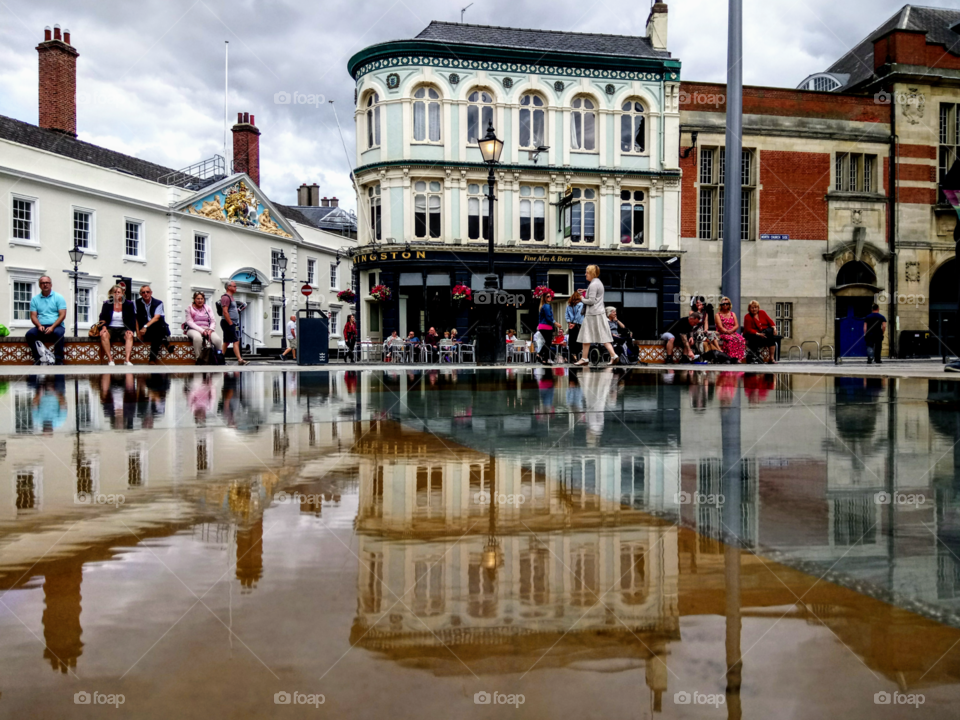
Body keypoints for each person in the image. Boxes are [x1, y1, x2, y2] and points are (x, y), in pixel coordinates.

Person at [575, 264, 617, 366]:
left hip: (592, 314)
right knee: (603, 336)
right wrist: (586, 291)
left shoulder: (593, 285)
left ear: (592, 273)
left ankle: (584, 358)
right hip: (599, 313)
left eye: (587, 272)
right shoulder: (598, 283)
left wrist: (581, 299)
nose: (585, 274)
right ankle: (613, 355)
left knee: (586, 336)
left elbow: (591, 301)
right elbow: (596, 295)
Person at [26, 276, 67, 365]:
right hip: (41, 326)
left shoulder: (58, 297)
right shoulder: (35, 299)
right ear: (39, 285)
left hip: (56, 326)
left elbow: (62, 315)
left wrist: (52, 327)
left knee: (59, 333)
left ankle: (58, 359)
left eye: (47, 283)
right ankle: (37, 358)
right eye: (42, 283)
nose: (45, 285)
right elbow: (33, 316)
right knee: (29, 334)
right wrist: (39, 326)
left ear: (51, 284)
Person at [99, 285, 136, 366]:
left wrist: (130, 329)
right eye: (114, 292)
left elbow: (132, 318)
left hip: (123, 328)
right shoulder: (107, 304)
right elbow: (102, 317)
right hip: (110, 328)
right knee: (104, 335)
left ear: (122, 293)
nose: (116, 294)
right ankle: (110, 360)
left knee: (129, 335)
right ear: (111, 294)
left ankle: (127, 360)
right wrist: (104, 327)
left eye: (118, 292)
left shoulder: (129, 304)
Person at [135, 285, 170, 365]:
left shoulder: (158, 303)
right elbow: (136, 318)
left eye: (147, 292)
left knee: (157, 329)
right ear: (140, 294)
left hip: (156, 328)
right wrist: (138, 332)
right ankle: (166, 342)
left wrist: (145, 326)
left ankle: (152, 359)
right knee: (158, 334)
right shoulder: (137, 303)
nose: (146, 294)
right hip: (146, 331)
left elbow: (156, 317)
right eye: (143, 292)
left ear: (151, 293)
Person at [184, 292, 223, 361]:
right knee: (197, 338)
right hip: (193, 329)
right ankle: (199, 358)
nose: (200, 300)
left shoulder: (207, 308)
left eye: (202, 299)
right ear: (194, 299)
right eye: (198, 299)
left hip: (207, 329)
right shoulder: (189, 308)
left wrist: (210, 330)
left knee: (217, 340)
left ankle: (219, 357)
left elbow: (213, 321)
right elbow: (189, 322)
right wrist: (202, 331)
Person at [220, 281, 248, 366]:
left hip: (232, 323)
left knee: (227, 342)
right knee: (236, 340)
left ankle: (220, 358)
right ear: (229, 287)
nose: (236, 288)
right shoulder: (225, 297)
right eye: (234, 286)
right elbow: (225, 312)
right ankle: (240, 359)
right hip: (228, 322)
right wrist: (231, 323)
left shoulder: (231, 297)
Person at [715, 297, 746, 362]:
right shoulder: (718, 315)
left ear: (729, 305)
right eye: (723, 304)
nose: (725, 305)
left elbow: (737, 325)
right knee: (731, 339)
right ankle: (731, 358)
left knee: (741, 339)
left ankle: (739, 358)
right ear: (721, 305)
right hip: (723, 333)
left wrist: (731, 331)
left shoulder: (733, 314)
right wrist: (728, 332)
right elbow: (720, 327)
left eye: (727, 304)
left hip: (732, 332)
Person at [536, 294, 556, 364]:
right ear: (544, 298)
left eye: (550, 296)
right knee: (548, 342)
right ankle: (540, 355)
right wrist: (555, 323)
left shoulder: (543, 306)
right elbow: (548, 317)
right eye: (548, 296)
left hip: (542, 326)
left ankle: (545, 359)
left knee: (547, 342)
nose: (550, 297)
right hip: (546, 326)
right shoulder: (547, 306)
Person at [566, 291, 585, 361]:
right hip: (578, 324)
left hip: (571, 325)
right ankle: (578, 355)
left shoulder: (569, 306)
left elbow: (566, 315)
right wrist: (574, 323)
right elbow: (579, 314)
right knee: (578, 340)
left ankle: (573, 354)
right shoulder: (581, 304)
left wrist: (569, 323)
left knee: (571, 340)